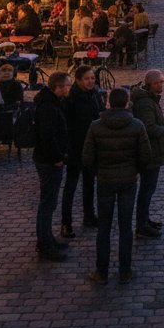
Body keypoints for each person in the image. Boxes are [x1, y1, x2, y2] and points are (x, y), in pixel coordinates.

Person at [82, 87, 152, 286]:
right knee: (125, 227)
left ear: (108, 103)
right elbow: (145, 156)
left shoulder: (96, 126)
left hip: (105, 181)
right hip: (128, 182)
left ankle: (101, 271)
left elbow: (87, 158)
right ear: (127, 102)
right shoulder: (137, 125)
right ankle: (125, 271)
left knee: (104, 227)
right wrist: (134, 169)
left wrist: (99, 171)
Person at [60, 65, 106, 238]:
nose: (90, 81)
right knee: (70, 187)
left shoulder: (95, 94)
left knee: (89, 184)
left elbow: (100, 114)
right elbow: (67, 126)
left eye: (92, 78)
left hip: (91, 148)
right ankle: (66, 223)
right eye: (87, 79)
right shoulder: (71, 99)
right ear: (78, 80)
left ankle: (89, 216)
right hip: (75, 148)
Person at [32, 71, 72, 261]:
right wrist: (58, 157)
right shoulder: (48, 106)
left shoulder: (50, 101)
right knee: (47, 203)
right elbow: (47, 136)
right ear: (59, 87)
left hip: (47, 158)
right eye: (67, 86)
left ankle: (48, 239)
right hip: (49, 160)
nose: (69, 89)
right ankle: (45, 244)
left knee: (49, 202)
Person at [131, 70, 164, 237]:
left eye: (162, 82)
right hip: (150, 153)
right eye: (158, 83)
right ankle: (141, 225)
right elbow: (149, 128)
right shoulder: (146, 103)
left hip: (152, 151)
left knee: (148, 190)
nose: (161, 85)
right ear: (150, 84)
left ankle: (145, 220)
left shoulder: (149, 99)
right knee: (147, 190)